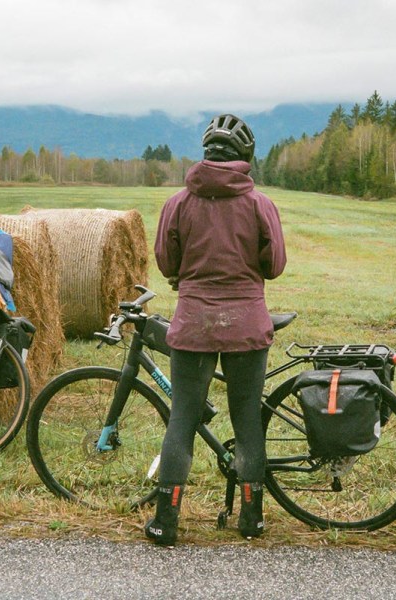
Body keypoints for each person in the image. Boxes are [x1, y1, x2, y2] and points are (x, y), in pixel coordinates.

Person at [146, 114, 287, 546]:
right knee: (247, 421)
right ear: (245, 157)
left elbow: (167, 263)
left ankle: (165, 522)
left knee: (182, 420)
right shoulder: (260, 204)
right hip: (246, 324)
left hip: (193, 324)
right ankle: (252, 519)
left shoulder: (178, 203)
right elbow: (275, 265)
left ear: (205, 154)